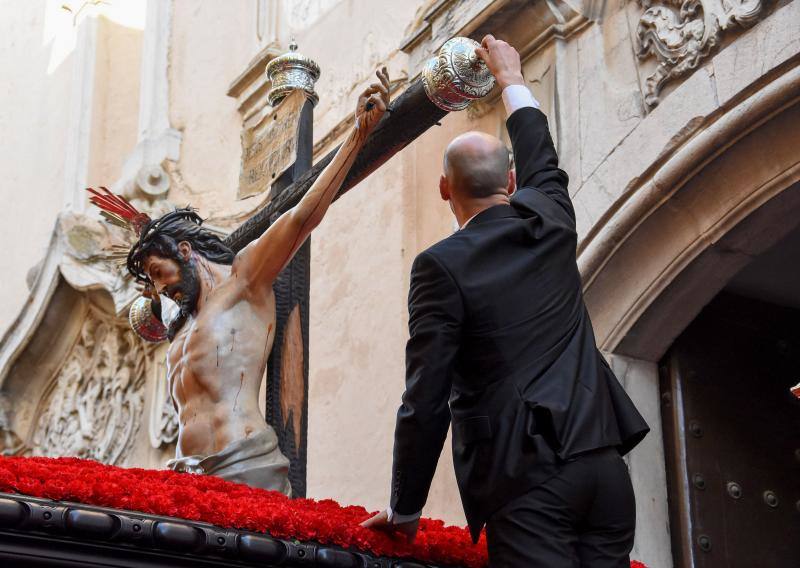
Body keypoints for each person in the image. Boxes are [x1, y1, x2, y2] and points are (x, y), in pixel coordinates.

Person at [362, 37, 649, 567]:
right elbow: (543, 155)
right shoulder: (552, 218)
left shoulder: (438, 267)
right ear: (512, 183)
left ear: (445, 189)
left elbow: (425, 397)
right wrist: (511, 79)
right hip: (605, 469)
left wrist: (405, 509)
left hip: (526, 479)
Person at [90, 69, 391, 494]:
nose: (162, 291)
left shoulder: (245, 281)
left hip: (243, 465)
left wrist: (357, 137)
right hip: (186, 477)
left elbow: (301, 217)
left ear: (185, 252)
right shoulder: (183, 327)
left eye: (161, 275)